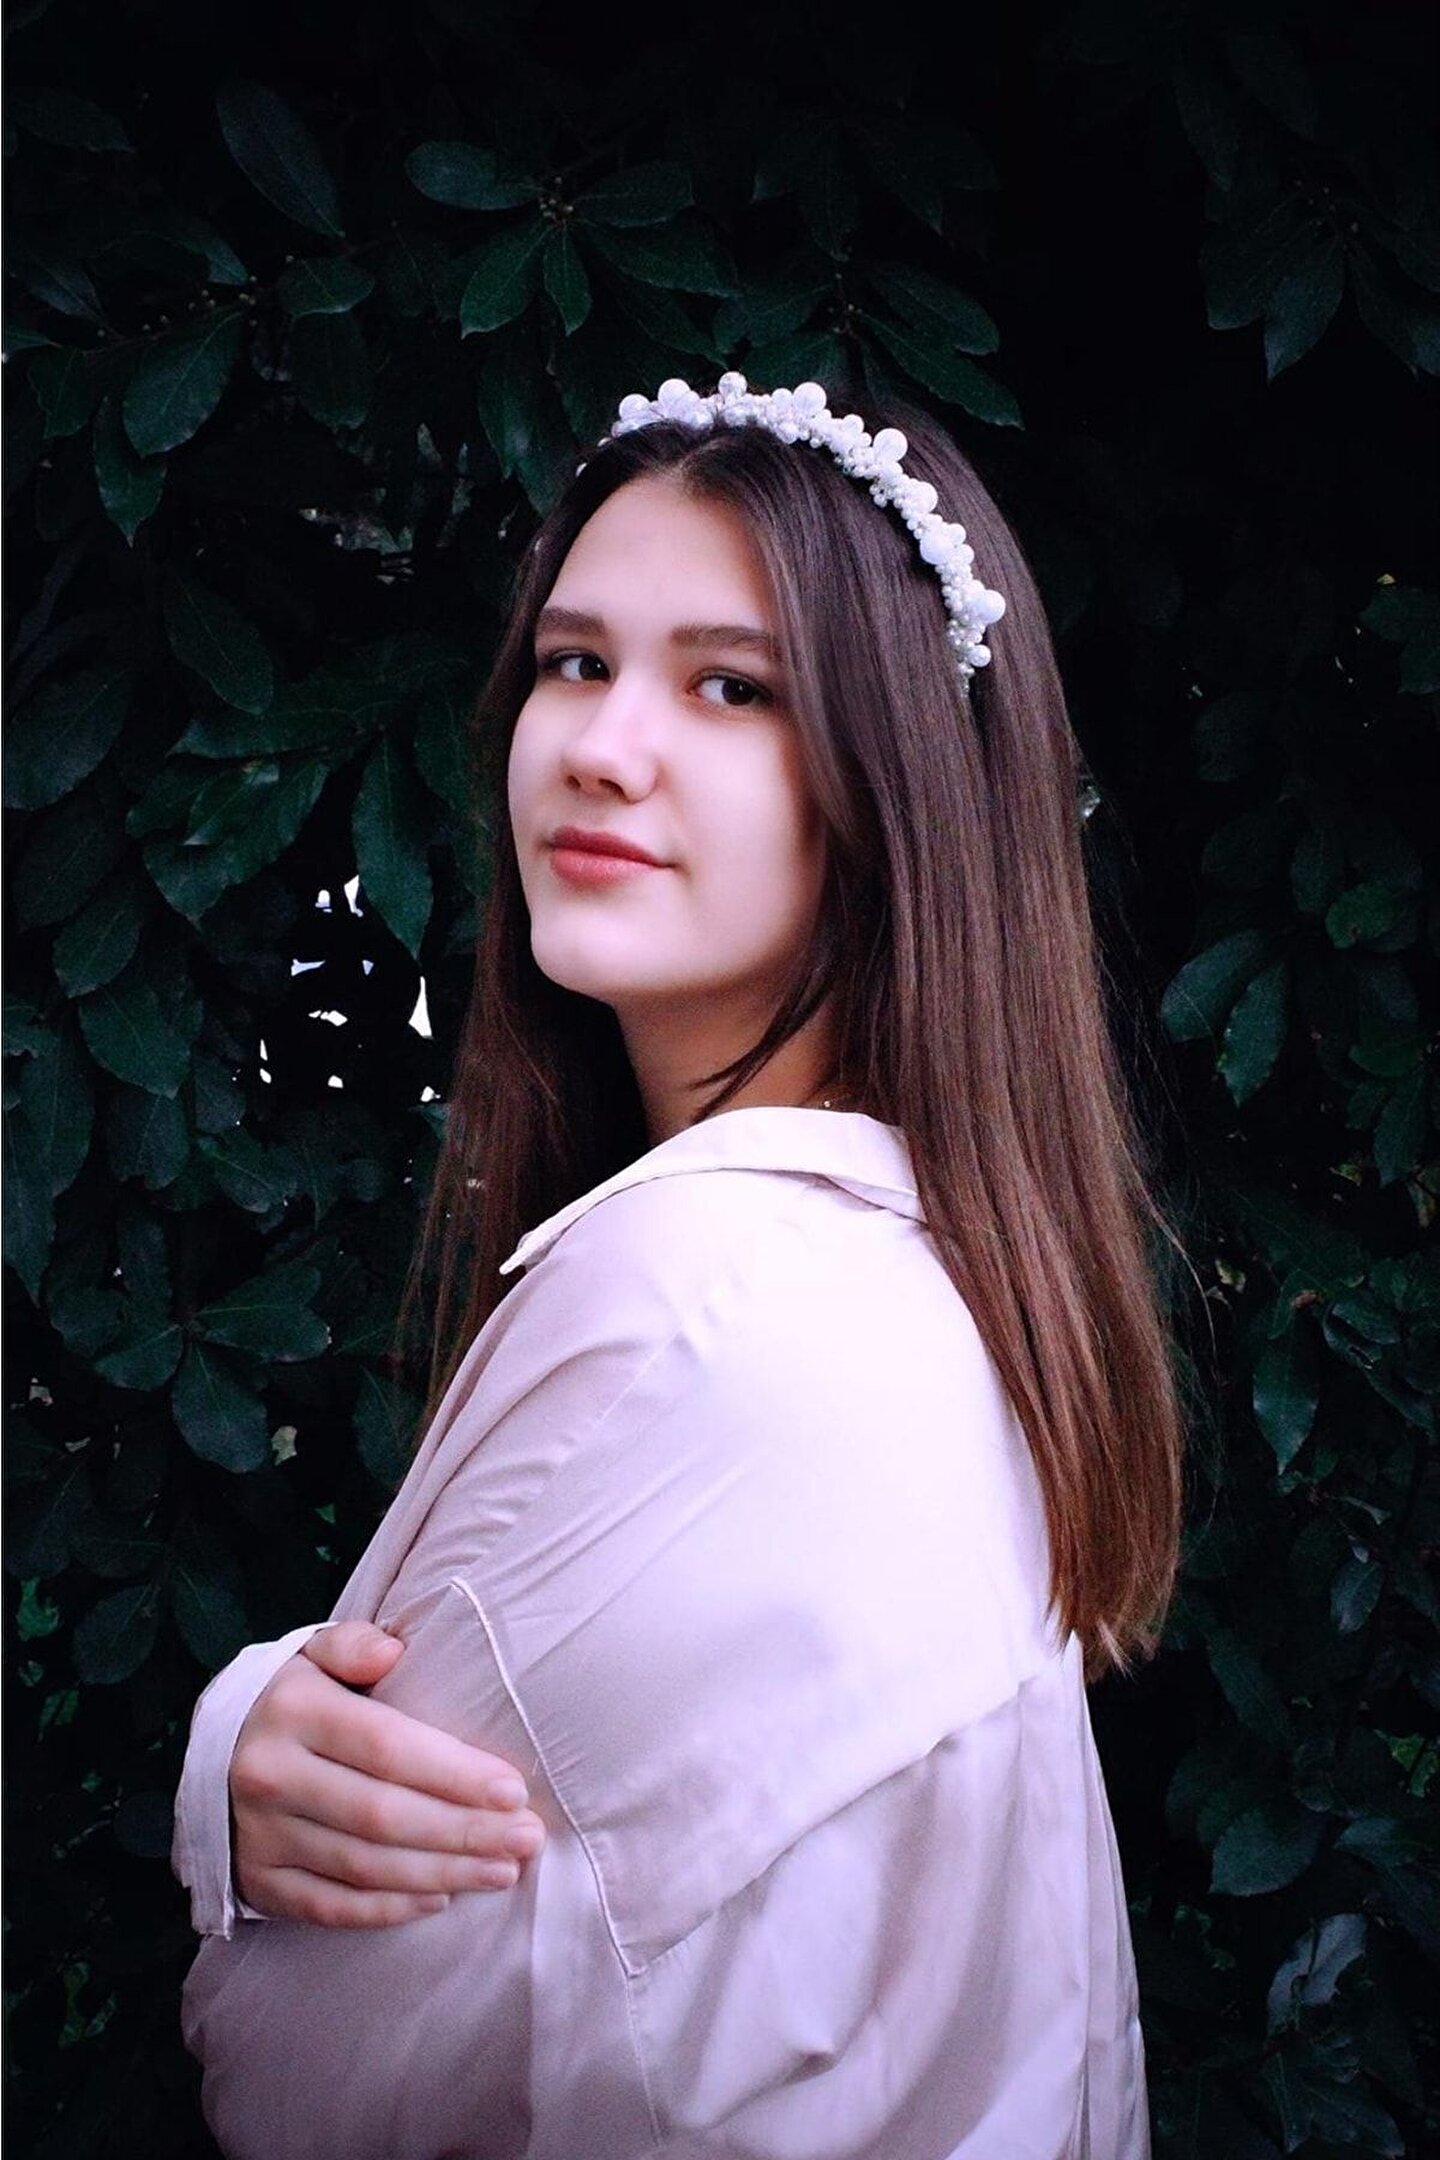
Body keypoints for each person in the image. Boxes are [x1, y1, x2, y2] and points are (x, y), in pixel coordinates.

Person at [173, 374, 1184, 2159]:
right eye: (574, 662)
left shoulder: (715, 1296)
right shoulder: (901, 1265)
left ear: (900, 790)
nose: (602, 745)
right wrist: (263, 1742)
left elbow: (302, 2062)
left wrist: (220, 1819)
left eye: (733, 688)